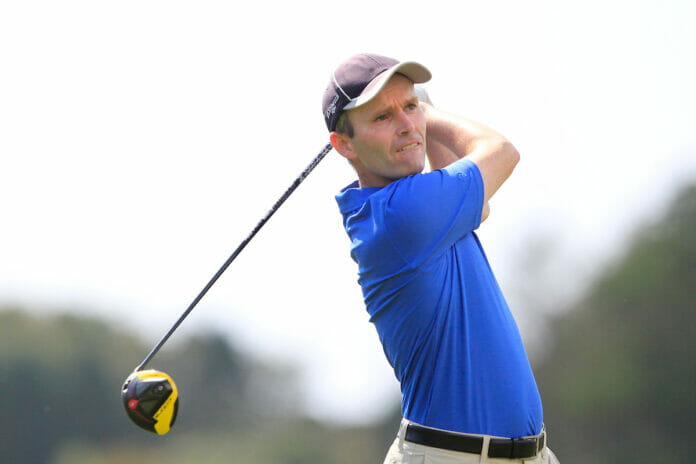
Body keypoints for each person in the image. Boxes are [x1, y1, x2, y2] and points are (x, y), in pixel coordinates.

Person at [322, 53, 560, 464]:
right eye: (382, 117)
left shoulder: (408, 208)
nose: (405, 124)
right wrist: (427, 115)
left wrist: (414, 125)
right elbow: (500, 151)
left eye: (409, 106)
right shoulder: (401, 215)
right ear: (344, 144)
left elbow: (477, 207)